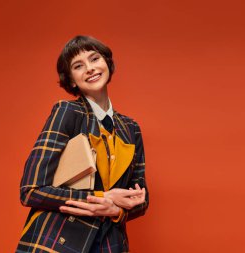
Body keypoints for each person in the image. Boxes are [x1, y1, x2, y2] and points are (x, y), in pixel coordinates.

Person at [16, 35, 149, 253]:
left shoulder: (131, 128)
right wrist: (101, 198)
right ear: (70, 80)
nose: (90, 68)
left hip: (111, 244)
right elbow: (31, 191)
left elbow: (141, 197)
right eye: (78, 66)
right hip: (60, 243)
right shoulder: (67, 112)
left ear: (106, 63)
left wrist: (116, 210)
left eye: (95, 59)